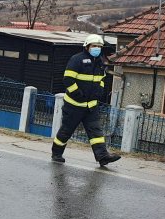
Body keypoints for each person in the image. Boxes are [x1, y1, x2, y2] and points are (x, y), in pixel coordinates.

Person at [51, 33, 120, 166]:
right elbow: (68, 79)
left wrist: (99, 92)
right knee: (66, 131)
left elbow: (101, 80)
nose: (97, 49)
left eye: (99, 47)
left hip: (91, 106)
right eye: (94, 46)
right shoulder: (76, 60)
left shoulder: (100, 62)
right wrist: (78, 94)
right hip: (74, 105)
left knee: (96, 132)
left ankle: (102, 156)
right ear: (87, 46)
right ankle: (57, 153)